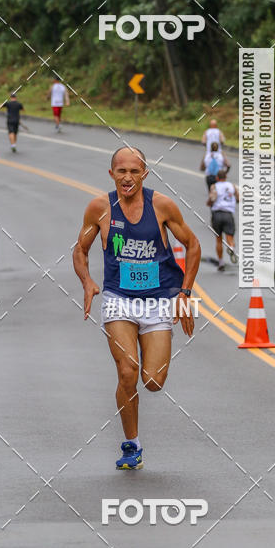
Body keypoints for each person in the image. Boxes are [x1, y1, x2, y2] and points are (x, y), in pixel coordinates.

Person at [73, 146, 201, 470]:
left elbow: (193, 244)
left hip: (158, 300)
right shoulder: (100, 208)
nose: (127, 178)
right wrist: (87, 281)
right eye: (121, 171)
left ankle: (146, 363)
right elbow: (81, 249)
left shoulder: (162, 206)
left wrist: (184, 293)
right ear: (111, 174)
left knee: (153, 381)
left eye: (134, 171)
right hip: (118, 299)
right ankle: (132, 444)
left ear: (144, 173)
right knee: (127, 371)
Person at [207, 167, 239, 271]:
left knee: (218, 239)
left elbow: (212, 199)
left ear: (217, 177)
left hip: (217, 214)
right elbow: (238, 198)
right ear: (226, 177)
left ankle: (221, 263)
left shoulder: (214, 186)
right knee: (230, 237)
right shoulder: (232, 186)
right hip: (228, 214)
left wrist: (209, 203)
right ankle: (231, 247)